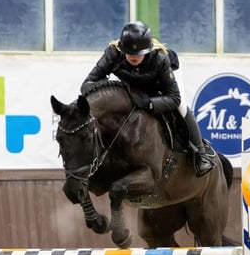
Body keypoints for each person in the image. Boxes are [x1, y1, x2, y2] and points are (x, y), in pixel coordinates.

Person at [80, 21, 216, 177]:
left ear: (147, 50)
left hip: (161, 81)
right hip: (130, 86)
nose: (133, 57)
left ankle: (200, 153)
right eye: (129, 53)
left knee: (182, 106)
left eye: (138, 53)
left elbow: (174, 98)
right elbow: (87, 85)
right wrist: (115, 87)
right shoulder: (113, 53)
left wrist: (150, 103)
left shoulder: (160, 59)